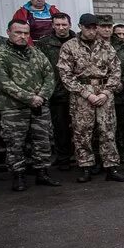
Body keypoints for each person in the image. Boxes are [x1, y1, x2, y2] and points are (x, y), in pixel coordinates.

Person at [0, 20, 60, 191]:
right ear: (8, 32)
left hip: (39, 106)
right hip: (13, 108)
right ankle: (18, 176)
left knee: (42, 141)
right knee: (15, 143)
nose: (22, 36)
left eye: (26, 33)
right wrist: (29, 98)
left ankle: (42, 173)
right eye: (18, 33)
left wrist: (41, 96)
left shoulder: (37, 53)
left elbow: (49, 76)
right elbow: (3, 82)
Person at [56, 13, 124, 183]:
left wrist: (106, 92)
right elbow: (65, 74)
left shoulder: (106, 46)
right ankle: (86, 167)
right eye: (88, 28)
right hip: (82, 95)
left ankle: (111, 167)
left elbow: (116, 71)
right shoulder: (69, 46)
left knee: (108, 131)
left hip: (104, 93)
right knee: (82, 133)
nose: (91, 31)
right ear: (80, 26)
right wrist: (86, 93)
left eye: (94, 28)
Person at [99, 15, 124, 169]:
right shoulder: (93, 46)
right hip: (102, 93)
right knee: (106, 130)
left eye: (109, 26)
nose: (106, 29)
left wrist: (123, 82)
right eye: (103, 26)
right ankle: (110, 160)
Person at [39, 12, 76, 170]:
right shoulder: (44, 44)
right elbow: (40, 68)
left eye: (64, 24)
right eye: (58, 25)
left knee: (82, 127)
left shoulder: (78, 41)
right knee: (60, 128)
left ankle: (84, 157)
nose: (61, 28)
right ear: (53, 26)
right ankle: (64, 158)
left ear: (70, 25)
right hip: (57, 93)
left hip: (79, 92)